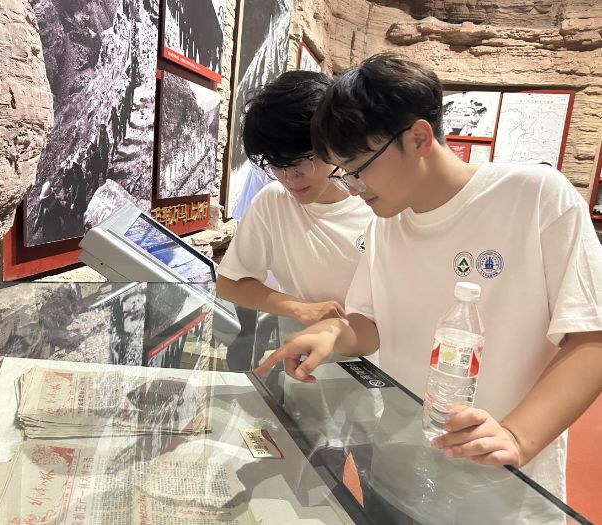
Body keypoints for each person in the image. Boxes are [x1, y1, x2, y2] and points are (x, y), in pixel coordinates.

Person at [255, 53, 602, 502]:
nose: (353, 189)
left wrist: (518, 436)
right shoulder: (385, 226)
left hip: (504, 492)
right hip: (397, 473)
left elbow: (590, 337)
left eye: (358, 170)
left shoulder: (535, 197)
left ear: (418, 137)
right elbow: (370, 324)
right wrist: (333, 332)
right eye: (345, 174)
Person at [216, 71, 375, 352]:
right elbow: (230, 283)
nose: (290, 178)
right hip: (300, 361)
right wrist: (300, 308)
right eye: (277, 165)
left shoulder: (376, 203)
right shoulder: (273, 202)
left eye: (302, 160)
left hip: (373, 364)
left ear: (335, 142)